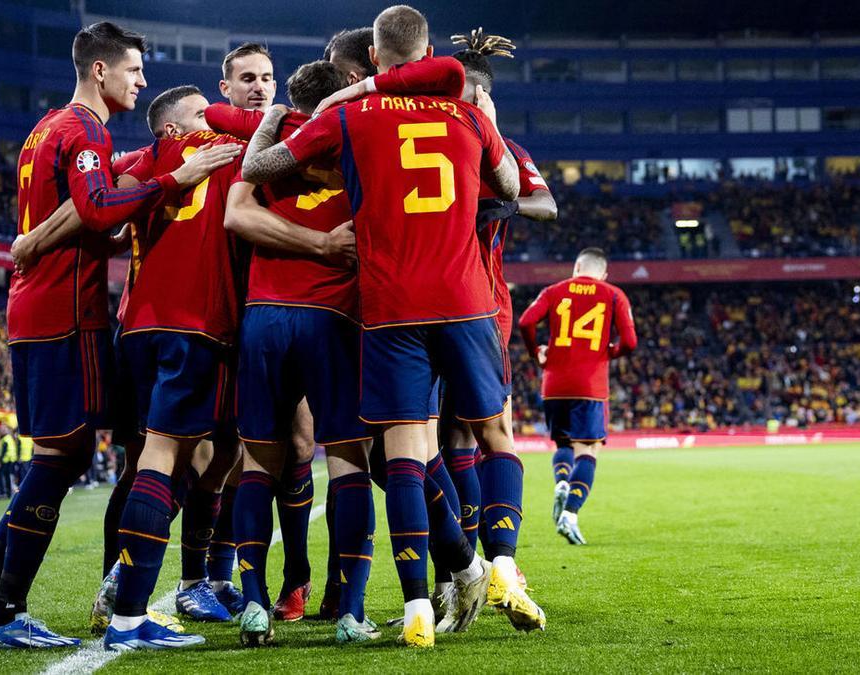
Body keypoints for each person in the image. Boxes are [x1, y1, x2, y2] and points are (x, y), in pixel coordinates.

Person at [242, 5, 541, 646]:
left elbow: (256, 171)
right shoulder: (466, 113)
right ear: (427, 52)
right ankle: (502, 567)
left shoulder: (347, 116)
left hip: (390, 306)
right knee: (494, 435)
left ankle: (415, 613)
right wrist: (485, 131)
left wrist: (276, 119)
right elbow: (515, 186)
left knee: (404, 456)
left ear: (374, 60)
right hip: (466, 299)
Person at [0, 21, 217, 650]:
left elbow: (81, 213)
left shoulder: (48, 127)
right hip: (62, 312)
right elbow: (96, 206)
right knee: (61, 455)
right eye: (133, 70)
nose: (142, 80)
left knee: (63, 456)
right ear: (101, 70)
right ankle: (5, 609)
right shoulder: (84, 130)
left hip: (38, 306)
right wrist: (175, 180)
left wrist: (50, 237)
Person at [223, 59, 379, 645]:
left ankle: (256, 604)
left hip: (262, 320)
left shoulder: (271, 147)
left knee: (259, 463)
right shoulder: (360, 140)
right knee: (347, 461)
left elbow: (237, 213)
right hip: (332, 321)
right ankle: (349, 612)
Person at [100, 85, 247, 651]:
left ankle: (129, 584)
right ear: (172, 127)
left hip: (137, 326)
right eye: (200, 111)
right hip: (194, 324)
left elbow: (109, 184)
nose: (212, 115)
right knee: (168, 461)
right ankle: (132, 615)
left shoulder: (149, 160)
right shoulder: (227, 147)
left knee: (156, 460)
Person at [517, 247, 638, 544]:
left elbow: (525, 322)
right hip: (590, 385)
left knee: (563, 443)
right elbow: (631, 342)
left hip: (554, 383)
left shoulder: (554, 290)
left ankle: (561, 481)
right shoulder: (613, 294)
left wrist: (536, 352)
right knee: (588, 449)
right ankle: (570, 513)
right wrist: (611, 351)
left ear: (577, 267)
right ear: (603, 273)